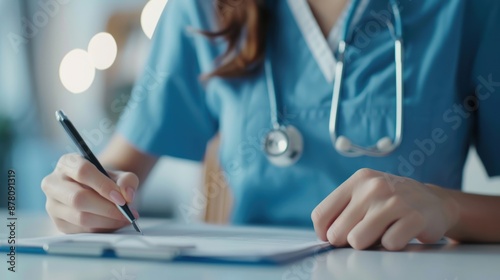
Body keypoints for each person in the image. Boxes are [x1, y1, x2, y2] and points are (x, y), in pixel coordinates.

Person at [41, 0, 500, 250]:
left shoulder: (467, 9)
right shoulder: (201, 9)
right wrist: (81, 196)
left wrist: (447, 208)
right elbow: (114, 174)